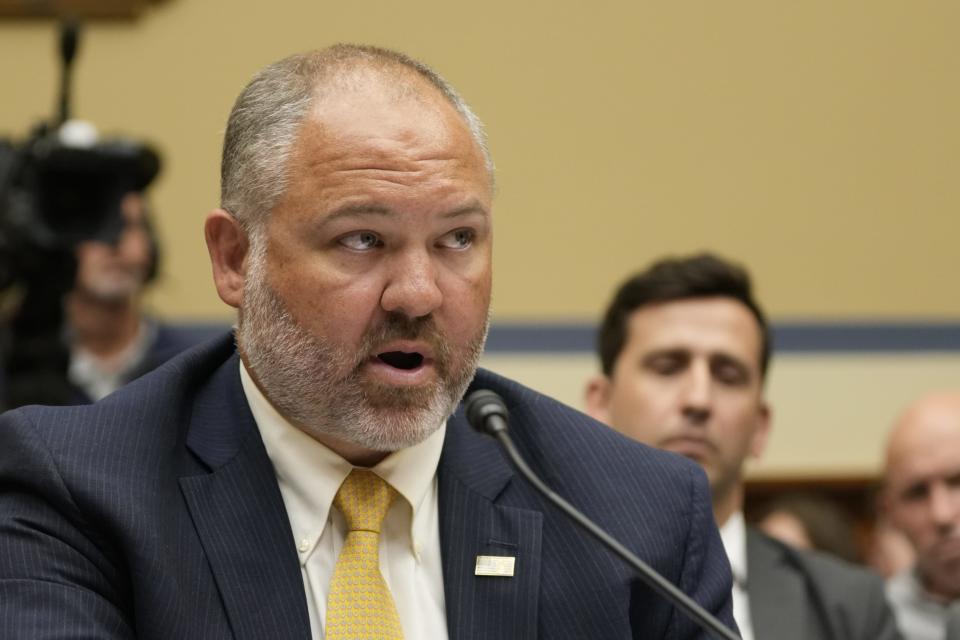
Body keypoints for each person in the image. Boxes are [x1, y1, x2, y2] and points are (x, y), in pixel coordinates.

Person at [0, 45, 736, 639]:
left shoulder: (633, 514)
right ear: (234, 259)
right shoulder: (81, 493)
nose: (417, 294)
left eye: (457, 239)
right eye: (362, 239)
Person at [584, 252, 901, 640]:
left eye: (728, 375)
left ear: (760, 427)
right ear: (599, 403)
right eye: (668, 367)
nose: (698, 400)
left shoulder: (849, 605)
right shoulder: (537, 577)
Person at [881, 391, 960, 640]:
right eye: (917, 493)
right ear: (889, 512)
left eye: (958, 481)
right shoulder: (870, 621)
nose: (942, 514)